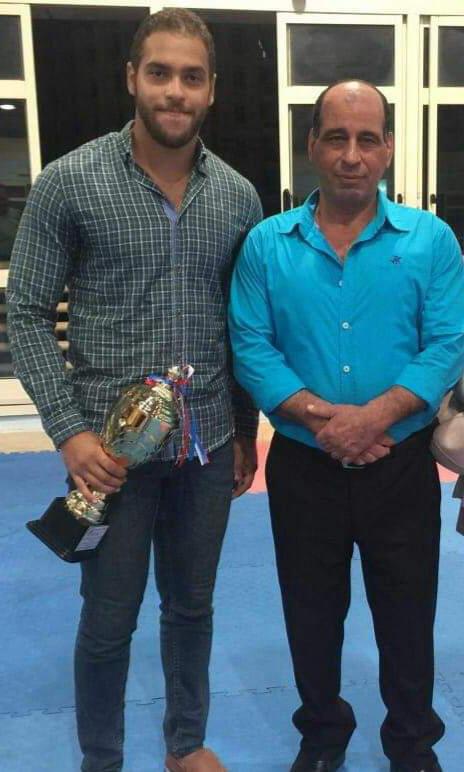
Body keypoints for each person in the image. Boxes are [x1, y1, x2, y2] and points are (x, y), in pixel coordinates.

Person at [7, 9, 261, 772]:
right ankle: (103, 760)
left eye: (191, 76)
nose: (174, 91)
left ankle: (185, 745)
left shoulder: (239, 198)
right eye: (160, 73)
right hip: (108, 459)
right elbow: (26, 309)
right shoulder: (70, 182)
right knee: (108, 622)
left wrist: (245, 428)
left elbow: (242, 327)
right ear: (131, 78)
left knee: (192, 609)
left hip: (206, 449)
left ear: (212, 90)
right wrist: (68, 432)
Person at [229, 79, 464, 772]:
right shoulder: (267, 246)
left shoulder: (430, 241)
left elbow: (446, 344)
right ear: (312, 146)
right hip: (304, 468)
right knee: (310, 614)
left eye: (367, 139)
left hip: (400, 468)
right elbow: (251, 345)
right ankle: (322, 735)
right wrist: (323, 419)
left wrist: (374, 418)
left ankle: (412, 742)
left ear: (388, 147)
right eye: (336, 137)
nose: (352, 155)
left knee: (407, 615)